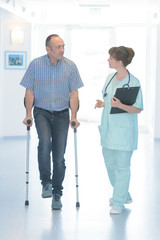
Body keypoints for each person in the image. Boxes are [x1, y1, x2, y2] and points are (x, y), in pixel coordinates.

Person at [20, 34, 84, 210]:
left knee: (59, 156)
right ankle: (46, 183)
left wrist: (74, 116)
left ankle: (57, 193)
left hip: (62, 114)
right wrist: (28, 114)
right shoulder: (35, 65)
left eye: (63, 46)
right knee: (44, 144)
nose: (62, 50)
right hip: (41, 112)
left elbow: (74, 94)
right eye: (58, 47)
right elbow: (29, 92)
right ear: (48, 49)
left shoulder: (71, 66)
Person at [95, 46, 143, 215]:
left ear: (119, 61)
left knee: (122, 167)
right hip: (108, 129)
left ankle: (118, 202)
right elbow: (109, 99)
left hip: (123, 133)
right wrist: (103, 103)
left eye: (111, 58)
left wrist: (120, 105)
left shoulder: (134, 82)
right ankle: (123, 194)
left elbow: (137, 108)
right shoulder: (109, 78)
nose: (108, 60)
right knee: (110, 166)